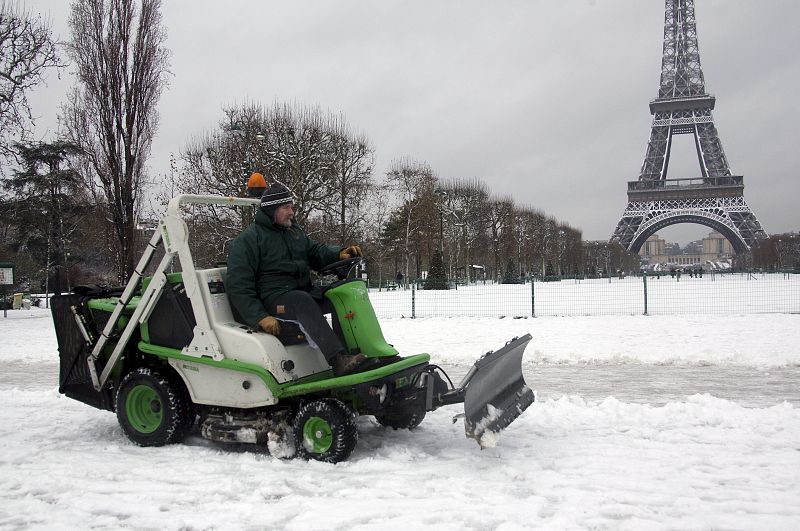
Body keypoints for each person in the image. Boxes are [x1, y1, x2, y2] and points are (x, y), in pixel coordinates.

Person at [227, 182, 367, 376]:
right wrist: (259, 316)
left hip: (299, 292)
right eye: (286, 207)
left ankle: (360, 351)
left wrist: (339, 254)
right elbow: (238, 286)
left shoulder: (293, 232)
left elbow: (315, 251)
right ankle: (338, 360)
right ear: (271, 210)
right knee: (302, 301)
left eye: (292, 206)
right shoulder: (249, 240)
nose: (292, 212)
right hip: (273, 299)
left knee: (341, 296)